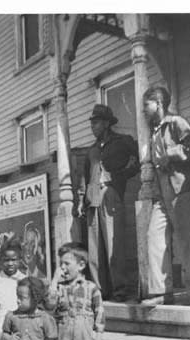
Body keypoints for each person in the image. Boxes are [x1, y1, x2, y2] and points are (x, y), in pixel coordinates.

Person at [142, 86, 190, 305]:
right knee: (154, 237)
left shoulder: (176, 122)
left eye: (146, 105)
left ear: (158, 104)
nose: (143, 111)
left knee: (187, 240)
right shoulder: (154, 131)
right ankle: (160, 292)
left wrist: (171, 153)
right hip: (162, 193)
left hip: (181, 190)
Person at [77, 104, 139, 301]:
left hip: (111, 193)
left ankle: (120, 290)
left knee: (115, 244)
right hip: (92, 196)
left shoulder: (123, 142)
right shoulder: (92, 150)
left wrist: (120, 177)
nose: (92, 127)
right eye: (92, 123)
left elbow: (139, 160)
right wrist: (80, 199)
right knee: (94, 249)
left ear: (105, 123)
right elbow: (84, 176)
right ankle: (100, 291)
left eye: (95, 123)